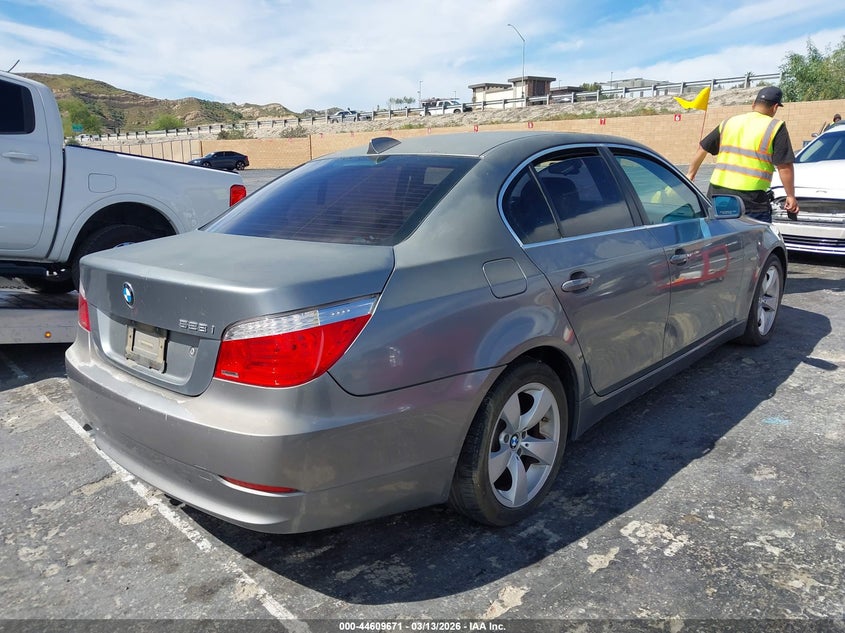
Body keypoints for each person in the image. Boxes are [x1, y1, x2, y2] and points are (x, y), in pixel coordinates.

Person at [686, 86, 799, 222]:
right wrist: (790, 196)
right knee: (755, 239)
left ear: (753, 104)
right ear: (775, 107)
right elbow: (784, 166)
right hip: (751, 199)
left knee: (719, 237)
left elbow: (702, 148)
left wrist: (690, 174)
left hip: (717, 192)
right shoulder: (775, 126)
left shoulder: (729, 122)